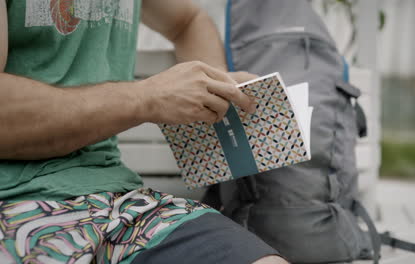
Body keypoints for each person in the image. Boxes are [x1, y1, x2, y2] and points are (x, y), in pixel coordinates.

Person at [0, 0, 288, 263]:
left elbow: (188, 20)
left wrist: (215, 85)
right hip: (15, 204)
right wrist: (146, 98)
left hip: (122, 205)